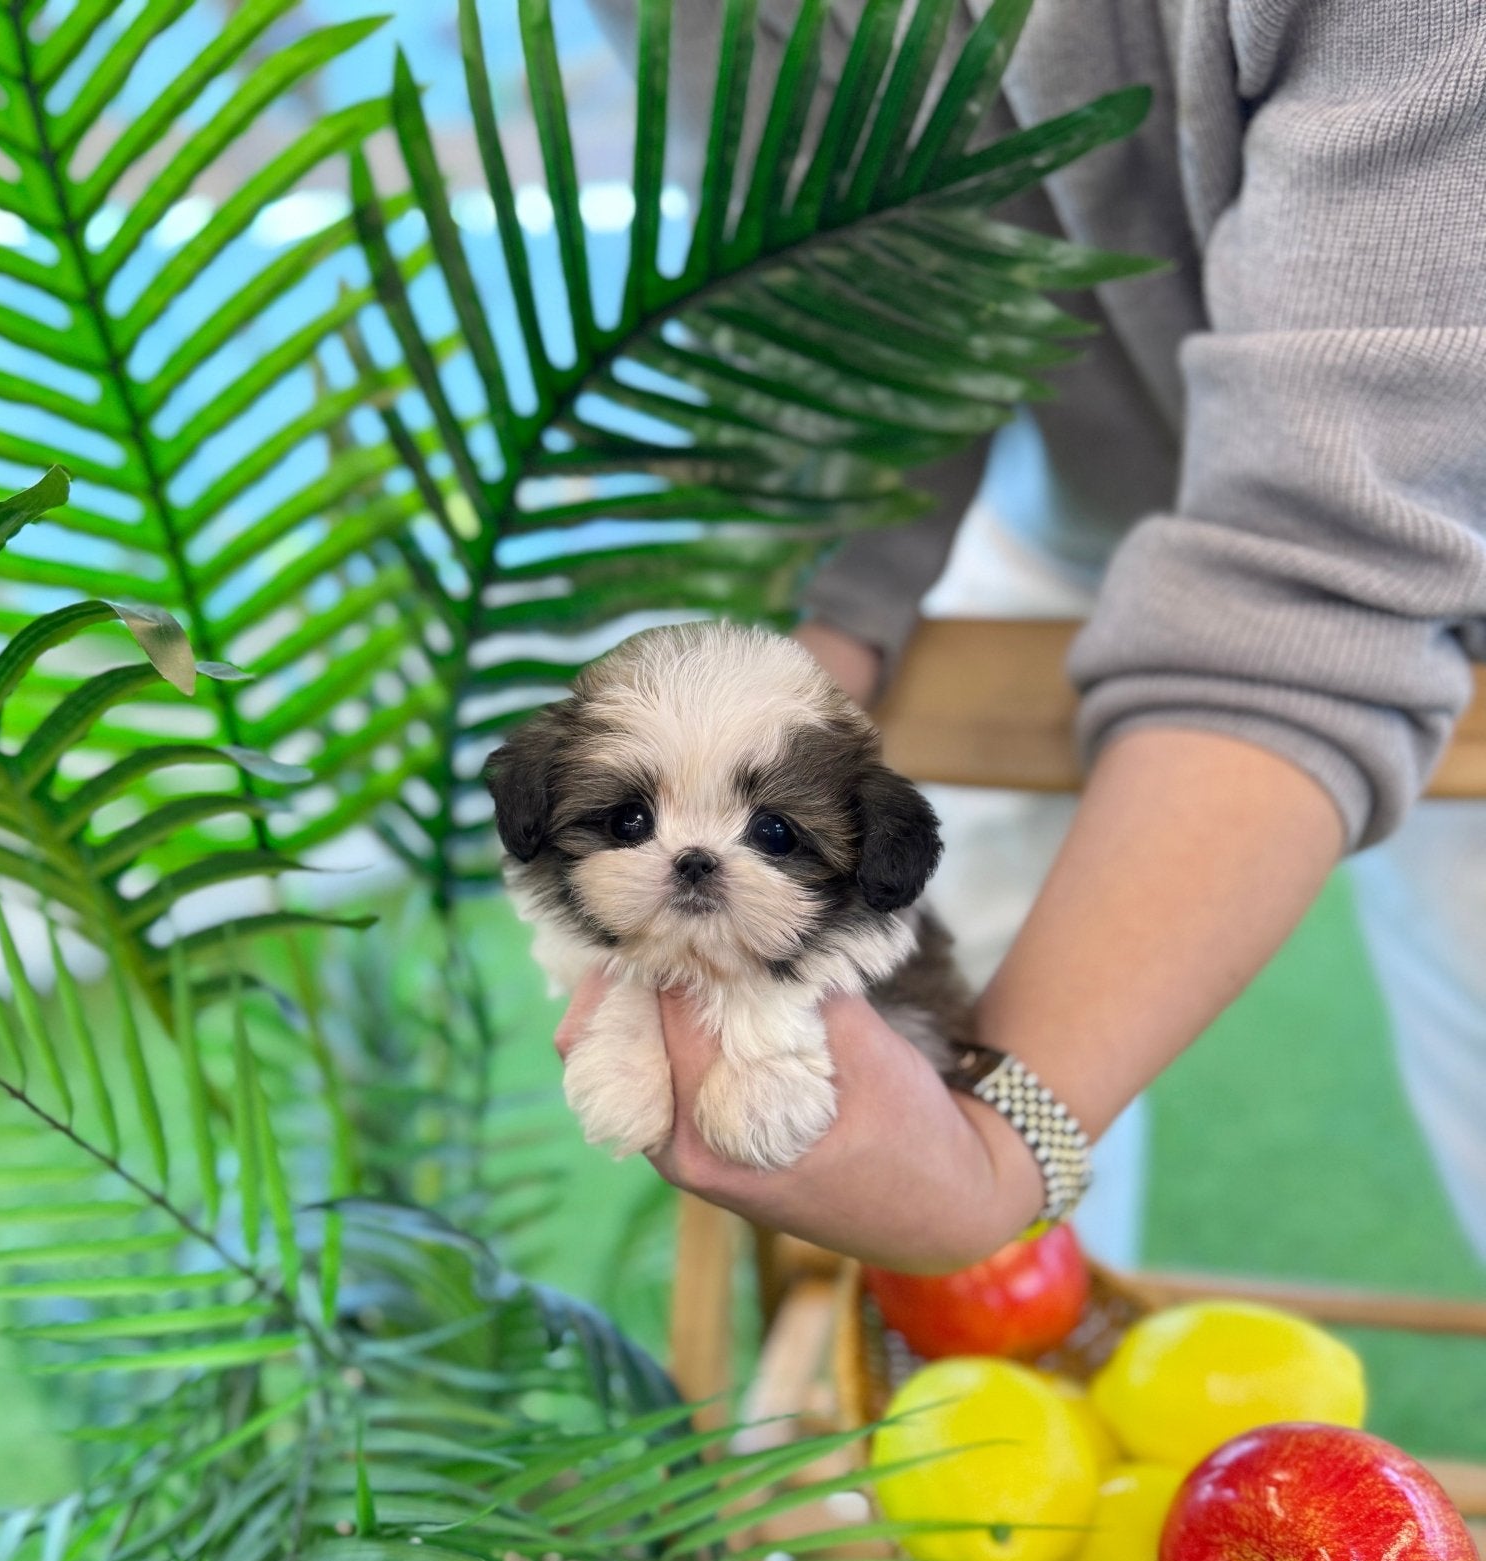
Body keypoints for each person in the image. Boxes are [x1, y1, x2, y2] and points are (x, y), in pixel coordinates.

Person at [564, 0, 1486, 1273]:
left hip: (1394, 503)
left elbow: (1319, 568)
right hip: (1109, 484)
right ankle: (1006, 1387)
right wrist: (794, 645)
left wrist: (1002, 1149)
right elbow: (854, 323)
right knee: (960, 959)